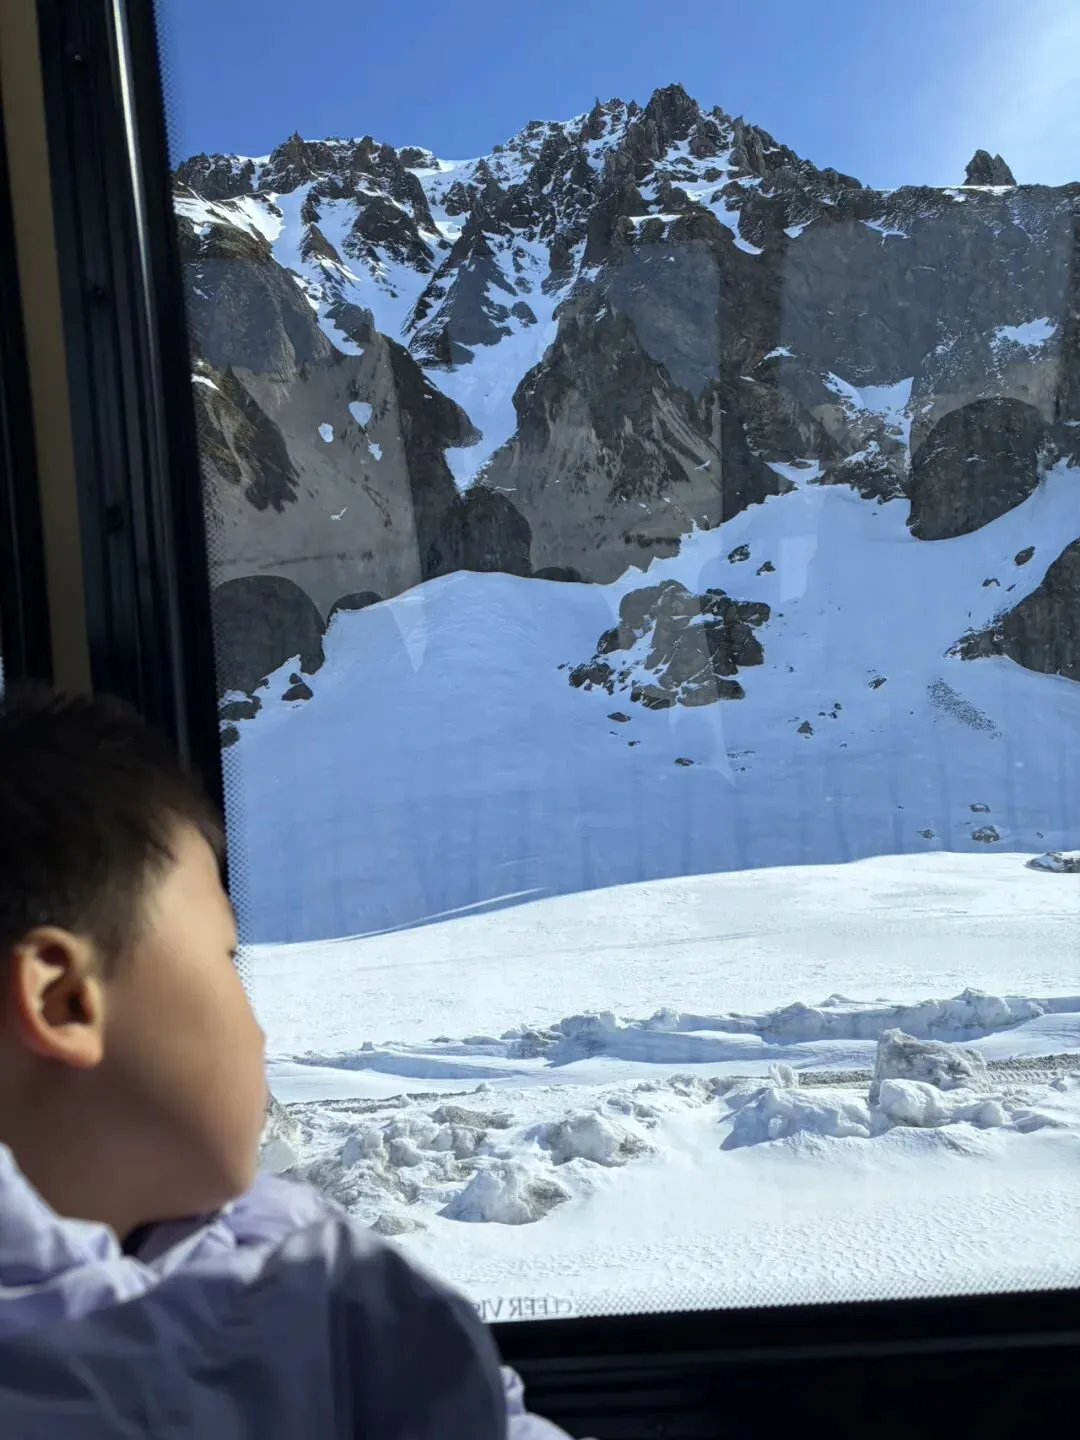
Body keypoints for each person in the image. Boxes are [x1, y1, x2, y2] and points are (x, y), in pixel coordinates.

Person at [0, 690, 573, 1438]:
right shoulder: (308, 1290)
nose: (260, 1032)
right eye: (225, 958)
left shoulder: (327, 1289)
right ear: (68, 1001)